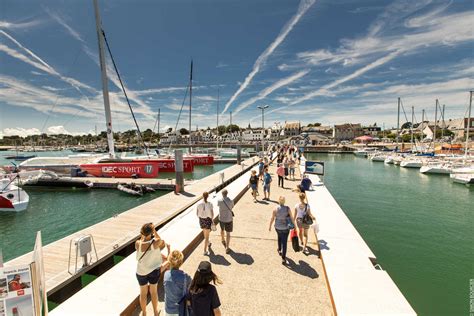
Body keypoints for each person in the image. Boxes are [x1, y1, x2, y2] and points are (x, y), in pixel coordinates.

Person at [135, 223, 169, 316]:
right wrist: (155, 231)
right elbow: (161, 241)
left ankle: (144, 313)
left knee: (143, 293)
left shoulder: (138, 243)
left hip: (141, 271)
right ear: (151, 232)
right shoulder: (155, 243)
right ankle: (155, 312)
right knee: (153, 292)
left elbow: (143, 240)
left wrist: (146, 233)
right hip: (153, 271)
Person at [268, 196, 297, 264]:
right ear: (284, 201)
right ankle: (283, 258)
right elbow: (292, 218)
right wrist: (295, 226)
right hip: (285, 228)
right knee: (284, 242)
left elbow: (272, 218)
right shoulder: (287, 208)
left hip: (277, 227)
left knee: (279, 236)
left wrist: (270, 226)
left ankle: (279, 249)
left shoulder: (275, 209)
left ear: (278, 201)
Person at [163, 250, 192, 316]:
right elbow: (192, 286)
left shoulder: (166, 274)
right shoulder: (185, 277)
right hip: (180, 309)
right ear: (181, 262)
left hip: (168, 309)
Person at [196, 192, 214, 256]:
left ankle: (208, 243)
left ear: (202, 196)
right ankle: (205, 250)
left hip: (201, 220)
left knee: (205, 233)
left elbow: (197, 214)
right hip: (207, 220)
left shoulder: (198, 204)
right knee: (207, 236)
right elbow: (212, 214)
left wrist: (201, 216)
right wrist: (212, 220)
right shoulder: (210, 204)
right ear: (208, 196)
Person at [217, 189, 234, 254]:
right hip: (229, 219)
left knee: (222, 230)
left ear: (222, 194)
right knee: (228, 233)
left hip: (221, 218)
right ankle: (227, 247)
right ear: (227, 193)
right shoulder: (231, 201)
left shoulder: (219, 201)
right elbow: (232, 207)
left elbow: (218, 206)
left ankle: (222, 239)